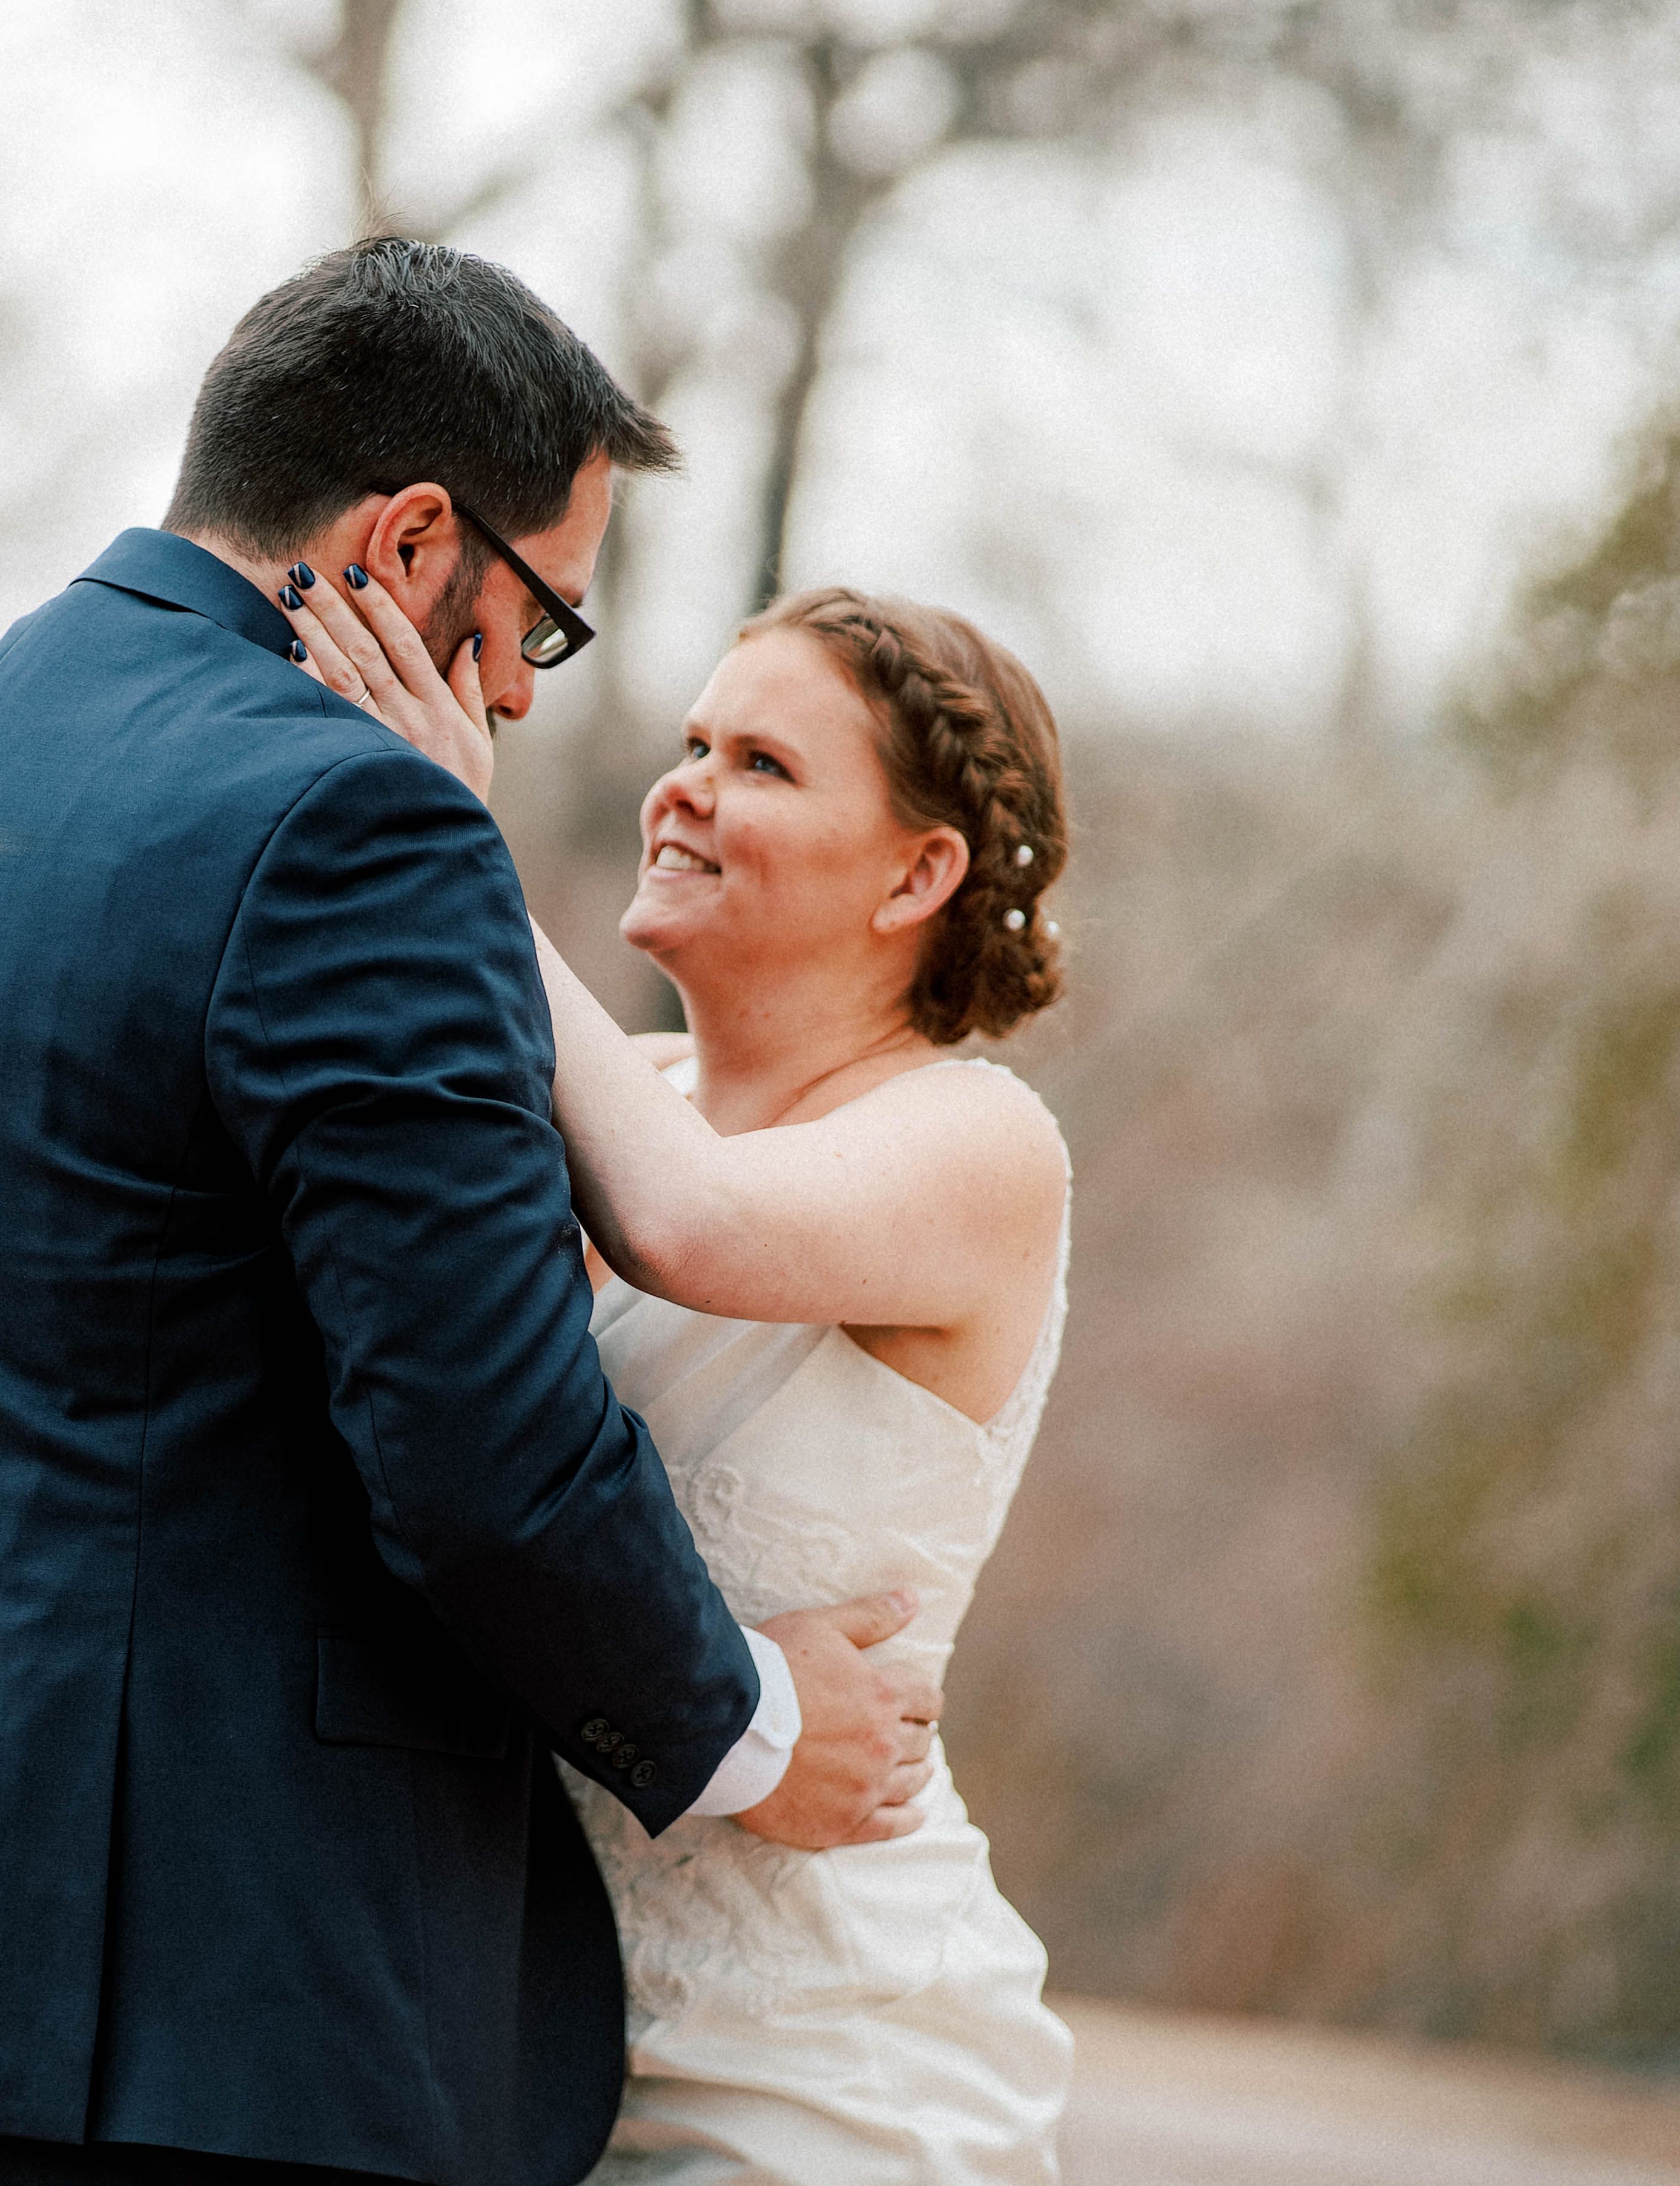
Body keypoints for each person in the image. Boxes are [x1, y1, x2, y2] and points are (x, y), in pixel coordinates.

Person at [0, 237, 947, 2186]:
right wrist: (752, 1735)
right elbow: (480, 1444)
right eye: (542, 622)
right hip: (188, 2021)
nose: (518, 697)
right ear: (413, 539)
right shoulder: (354, 825)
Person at [284, 566, 1079, 2181]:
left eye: (762, 765)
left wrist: (453, 857)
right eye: (694, 743)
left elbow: (685, 1224)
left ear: (920, 871)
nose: (685, 790)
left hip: (821, 2064)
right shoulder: (624, 1091)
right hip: (519, 2052)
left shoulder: (979, 1143)